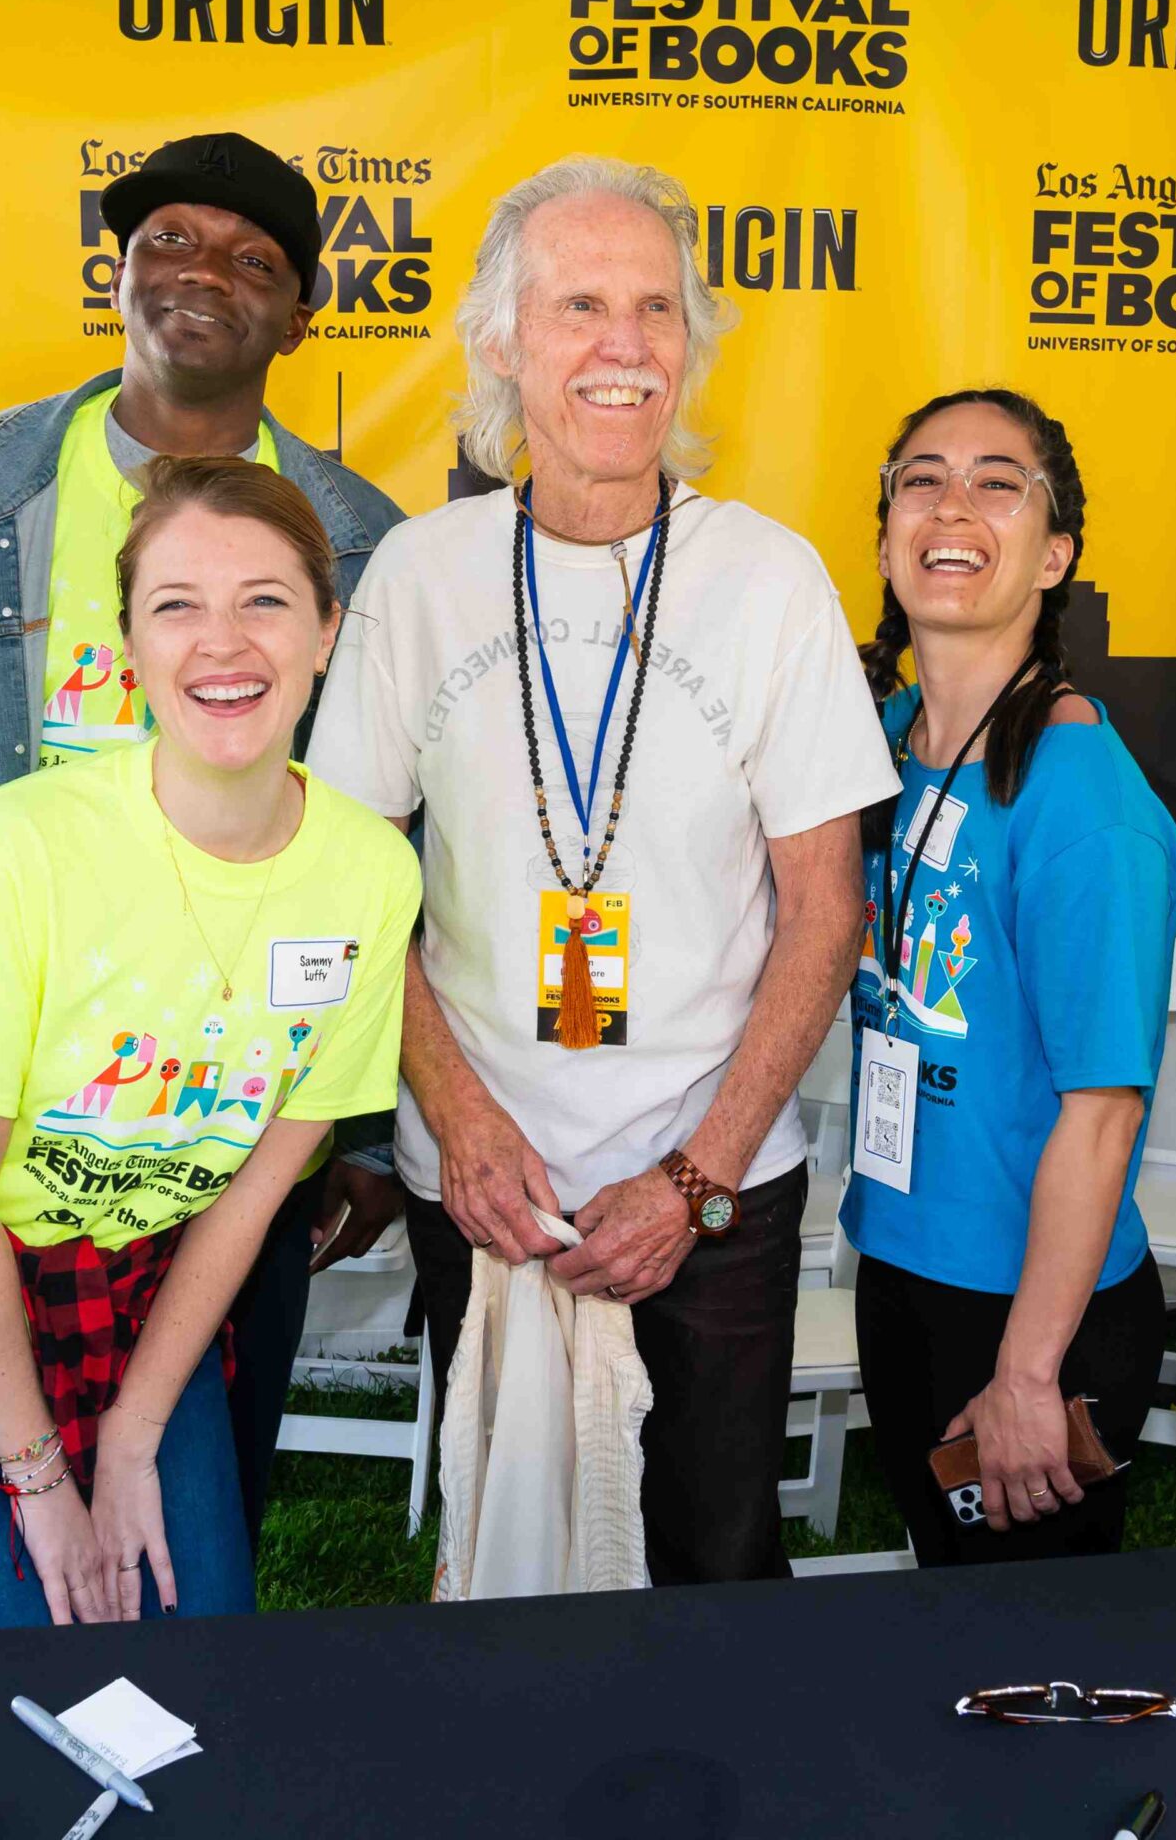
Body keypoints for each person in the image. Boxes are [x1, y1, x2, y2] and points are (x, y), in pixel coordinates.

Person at [309, 156, 897, 1585]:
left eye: (656, 309)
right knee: (512, 1548)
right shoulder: (421, 576)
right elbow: (344, 884)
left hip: (715, 1188)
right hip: (487, 1182)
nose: (625, 345)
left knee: (709, 1564)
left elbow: (826, 915)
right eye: (580, 305)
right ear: (504, 343)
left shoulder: (772, 581)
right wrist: (458, 1128)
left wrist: (691, 1181)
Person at [0, 456, 419, 1634]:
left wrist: (135, 1435)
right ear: (124, 643)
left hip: (132, 1302)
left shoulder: (372, 875)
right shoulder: (8, 851)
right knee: (35, 1644)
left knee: (194, 1653)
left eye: (265, 600)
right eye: (177, 605)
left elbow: (259, 1187)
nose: (223, 643)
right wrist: (41, 1478)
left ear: (327, 632)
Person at [0, 130, 406, 1550]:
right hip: (6, 1082)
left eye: (252, 260)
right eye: (167, 240)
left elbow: (369, 836)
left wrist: (356, 1125)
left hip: (235, 1101)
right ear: (115, 274)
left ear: (301, 316)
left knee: (203, 1464)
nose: (202, 273)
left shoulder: (362, 538)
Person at [844, 390, 1176, 1565]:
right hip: (898, 1252)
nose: (950, 504)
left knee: (1034, 1644)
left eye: (997, 480)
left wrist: (1029, 1370)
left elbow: (1104, 1110)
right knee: (945, 1597)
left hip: (1030, 1305)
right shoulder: (884, 738)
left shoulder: (1078, 796)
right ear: (886, 529)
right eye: (920, 475)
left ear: (1055, 552)